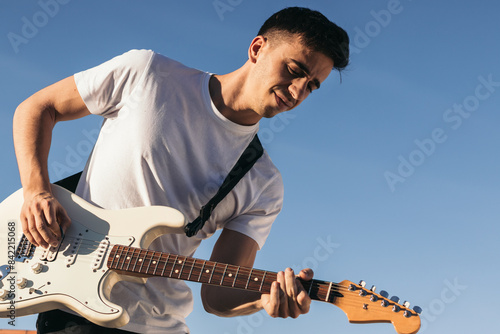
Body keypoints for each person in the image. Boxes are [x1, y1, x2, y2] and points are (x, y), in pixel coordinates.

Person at [13, 6, 349, 334]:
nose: (297, 92)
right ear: (258, 49)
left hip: (164, 325)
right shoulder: (148, 74)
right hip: (78, 313)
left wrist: (264, 300)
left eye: (311, 86)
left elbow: (218, 295)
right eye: (293, 70)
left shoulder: (264, 183)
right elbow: (39, 108)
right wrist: (36, 190)